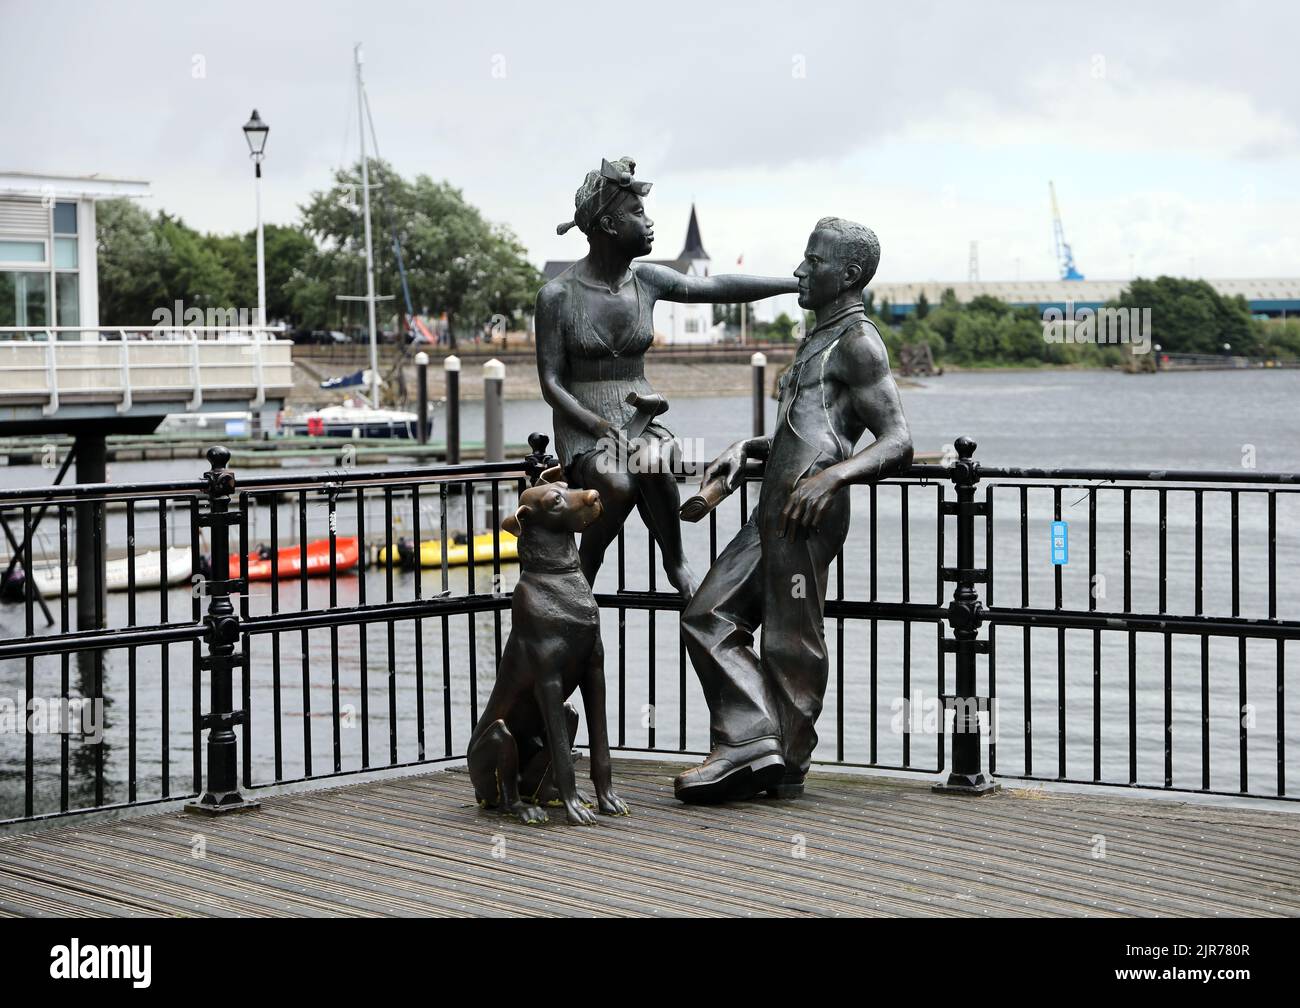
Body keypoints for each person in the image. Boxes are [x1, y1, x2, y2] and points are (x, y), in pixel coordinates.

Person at [675, 217, 914, 803]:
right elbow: (808, 426)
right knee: (708, 615)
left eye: (814, 260)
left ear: (849, 274)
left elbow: (898, 440)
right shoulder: (818, 337)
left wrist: (832, 478)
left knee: (790, 638)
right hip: (773, 508)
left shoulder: (859, 342)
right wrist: (747, 450)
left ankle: (783, 760)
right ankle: (756, 742)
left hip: (808, 511)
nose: (800, 270)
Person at [536, 157, 797, 598]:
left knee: (651, 462)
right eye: (638, 213)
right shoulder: (557, 295)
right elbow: (551, 383)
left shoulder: (649, 280)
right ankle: (586, 569)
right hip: (585, 426)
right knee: (616, 486)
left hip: (640, 416)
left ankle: (675, 564)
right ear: (609, 225)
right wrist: (598, 427)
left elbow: (717, 287)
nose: (650, 222)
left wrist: (792, 284)